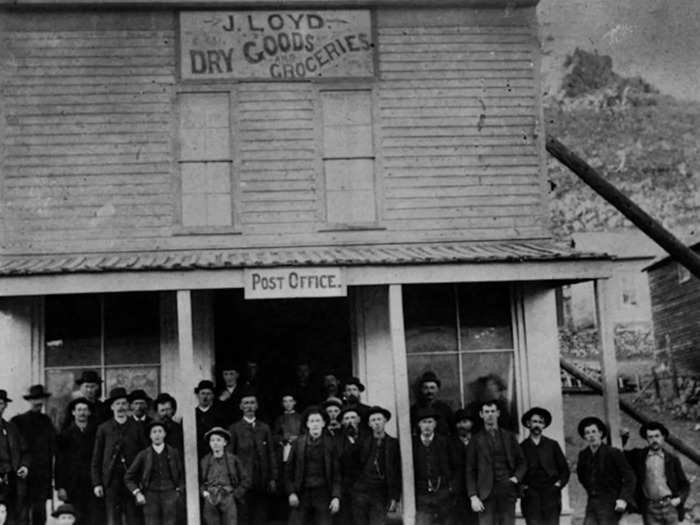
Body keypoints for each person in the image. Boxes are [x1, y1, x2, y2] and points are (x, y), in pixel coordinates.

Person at [92, 386, 148, 525]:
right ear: (112, 407)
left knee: (133, 518)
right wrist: (97, 483)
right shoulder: (104, 428)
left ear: (128, 406)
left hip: (132, 480)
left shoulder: (137, 426)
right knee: (112, 519)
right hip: (111, 481)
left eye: (123, 403)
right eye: (117, 404)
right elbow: (97, 458)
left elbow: (145, 455)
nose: (121, 407)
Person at [466, 400, 526, 525]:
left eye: (493, 411)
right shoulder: (475, 439)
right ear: (481, 414)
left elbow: (522, 461)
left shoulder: (509, 436)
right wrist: (473, 496)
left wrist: (516, 478)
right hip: (485, 493)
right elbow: (470, 470)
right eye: (486, 412)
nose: (490, 415)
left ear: (498, 413)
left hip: (507, 491)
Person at [625, 421, 689, 525]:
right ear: (646, 439)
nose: (654, 440)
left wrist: (679, 499)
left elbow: (685, 484)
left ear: (663, 437)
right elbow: (619, 455)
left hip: (670, 506)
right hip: (650, 508)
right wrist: (624, 437)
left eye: (657, 436)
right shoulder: (639, 456)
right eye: (650, 437)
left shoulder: (672, 460)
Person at [227, 392, 278, 525]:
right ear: (241, 407)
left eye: (252, 403)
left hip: (261, 479)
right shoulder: (234, 428)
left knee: (261, 516)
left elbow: (271, 453)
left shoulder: (264, 428)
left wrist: (272, 477)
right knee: (243, 516)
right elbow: (230, 457)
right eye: (246, 403)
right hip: (243, 481)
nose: (249, 406)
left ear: (257, 406)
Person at [285, 406, 341, 525]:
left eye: (318, 421)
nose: (315, 424)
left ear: (323, 423)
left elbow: (337, 473)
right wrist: (291, 493)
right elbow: (288, 471)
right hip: (302, 493)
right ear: (307, 424)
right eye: (312, 421)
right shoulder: (298, 443)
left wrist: (336, 497)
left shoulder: (331, 444)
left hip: (323, 493)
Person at [576, 416, 636, 525]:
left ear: (600, 433)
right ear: (584, 437)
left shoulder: (613, 453)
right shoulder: (583, 455)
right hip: (592, 503)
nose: (591, 436)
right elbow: (582, 477)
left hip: (611, 503)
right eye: (588, 433)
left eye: (594, 432)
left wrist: (623, 498)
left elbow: (630, 477)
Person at [125, 420, 184, 525]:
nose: (157, 435)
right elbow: (128, 477)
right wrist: (137, 493)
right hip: (150, 496)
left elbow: (182, 474)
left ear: (165, 434)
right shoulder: (143, 454)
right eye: (154, 432)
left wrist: (178, 490)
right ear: (150, 436)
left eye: (160, 431)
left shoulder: (173, 453)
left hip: (170, 495)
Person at [12, 384, 56, 525]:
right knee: (22, 513)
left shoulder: (47, 421)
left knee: (40, 513)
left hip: (42, 476)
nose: (38, 402)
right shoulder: (18, 421)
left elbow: (54, 446)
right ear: (29, 401)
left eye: (41, 399)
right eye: (35, 399)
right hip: (24, 475)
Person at [519, 407, 570, 525]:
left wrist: (558, 485)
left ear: (544, 426)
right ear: (528, 424)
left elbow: (564, 470)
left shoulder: (552, 445)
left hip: (551, 493)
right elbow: (515, 470)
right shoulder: (521, 447)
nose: (537, 425)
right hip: (531, 495)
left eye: (541, 422)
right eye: (535, 421)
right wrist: (522, 488)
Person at [352, 406, 401, 525]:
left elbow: (397, 472)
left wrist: (394, 498)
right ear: (369, 424)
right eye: (373, 420)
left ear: (385, 421)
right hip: (361, 491)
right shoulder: (362, 442)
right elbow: (353, 466)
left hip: (380, 492)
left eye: (379, 419)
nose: (377, 423)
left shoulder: (393, 443)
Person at [56, 397, 100, 524]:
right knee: (74, 517)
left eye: (85, 410)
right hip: (72, 485)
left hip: (92, 482)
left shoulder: (97, 432)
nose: (82, 413)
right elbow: (60, 462)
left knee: (94, 517)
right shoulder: (65, 435)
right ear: (73, 412)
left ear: (89, 413)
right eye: (79, 410)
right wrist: (61, 487)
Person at [199, 427, 250, 525]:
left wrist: (236, 494)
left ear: (225, 443)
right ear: (209, 443)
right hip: (210, 497)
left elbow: (245, 479)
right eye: (212, 440)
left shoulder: (233, 460)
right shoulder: (205, 461)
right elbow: (199, 481)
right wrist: (204, 493)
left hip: (228, 497)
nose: (215, 443)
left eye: (218, 440)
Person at [412, 407, 454, 525]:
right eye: (424, 422)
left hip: (443, 493)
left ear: (435, 424)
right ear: (419, 424)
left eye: (430, 422)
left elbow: (455, 466)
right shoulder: (412, 444)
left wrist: (451, 488)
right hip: (422, 495)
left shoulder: (445, 442)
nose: (427, 426)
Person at [0, 390, 29, 524]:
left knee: (13, 517)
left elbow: (25, 451)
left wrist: (24, 466)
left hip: (12, 481)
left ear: (5, 406)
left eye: (0, 403)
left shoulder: (11, 428)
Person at [450, 409, 477, 525]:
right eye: (459, 422)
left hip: (477, 490)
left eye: (465, 422)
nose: (461, 425)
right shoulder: (449, 443)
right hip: (457, 491)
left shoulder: (479, 441)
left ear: (472, 424)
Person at [410, 371, 453, 436]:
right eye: (426, 388)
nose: (429, 391)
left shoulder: (445, 409)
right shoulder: (414, 410)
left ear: (437, 389)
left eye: (432, 388)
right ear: (421, 389)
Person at [195, 380, 227, 458]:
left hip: (214, 454)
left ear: (213, 396)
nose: (205, 397)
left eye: (208, 394)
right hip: (196, 454)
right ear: (197, 395)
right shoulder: (191, 414)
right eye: (202, 393)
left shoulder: (218, 415)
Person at [273, 393, 302, 465]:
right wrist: (283, 438)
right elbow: (274, 435)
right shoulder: (279, 419)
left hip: (298, 448)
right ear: (282, 404)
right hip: (284, 449)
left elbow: (305, 433)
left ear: (294, 402)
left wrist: (297, 438)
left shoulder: (300, 418)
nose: (288, 404)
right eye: (285, 401)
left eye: (290, 401)